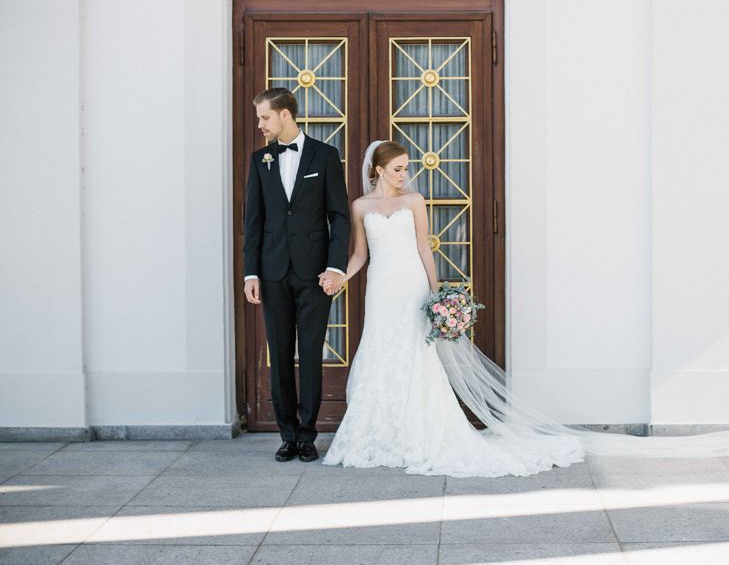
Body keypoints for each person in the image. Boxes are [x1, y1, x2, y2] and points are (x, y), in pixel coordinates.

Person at [320, 140, 729, 477]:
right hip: (381, 290)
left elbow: (424, 249)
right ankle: (380, 434)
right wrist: (341, 277)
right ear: (377, 170)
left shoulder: (415, 200)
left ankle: (417, 432)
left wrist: (436, 296)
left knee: (416, 358)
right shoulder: (361, 207)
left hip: (411, 287)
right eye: (397, 169)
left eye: (406, 168)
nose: (404, 175)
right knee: (381, 352)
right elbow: (359, 254)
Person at [243, 88, 350, 463]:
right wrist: (250, 272)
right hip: (272, 273)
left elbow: (339, 216)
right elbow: (252, 222)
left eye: (264, 117)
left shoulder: (325, 155)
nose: (260, 125)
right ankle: (286, 434)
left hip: (315, 273)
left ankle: (308, 435)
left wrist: (335, 268)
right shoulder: (260, 160)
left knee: (310, 354)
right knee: (281, 354)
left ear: (285, 115)